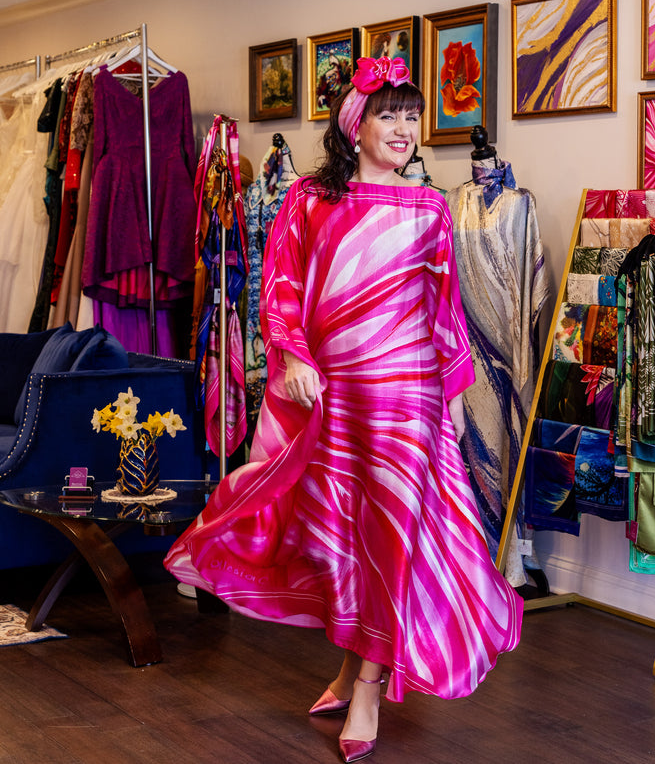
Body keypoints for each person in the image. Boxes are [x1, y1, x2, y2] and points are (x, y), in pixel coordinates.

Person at [165, 55, 522, 763]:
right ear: (355, 123)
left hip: (407, 400)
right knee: (342, 538)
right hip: (335, 397)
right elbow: (281, 284)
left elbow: (444, 308)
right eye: (389, 113)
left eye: (413, 116)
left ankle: (366, 688)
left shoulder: (429, 207)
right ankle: (346, 663)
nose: (403, 128)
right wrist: (293, 354)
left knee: (393, 539)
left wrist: (449, 402)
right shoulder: (308, 199)